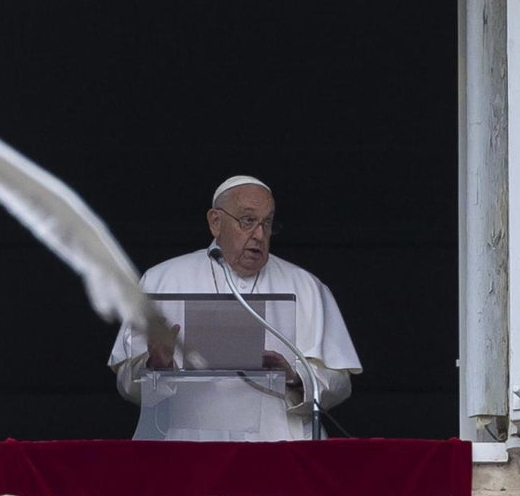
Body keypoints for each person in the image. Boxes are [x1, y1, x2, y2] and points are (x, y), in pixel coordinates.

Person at [108, 175, 361, 440]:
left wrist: (296, 376)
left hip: (278, 450)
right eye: (248, 221)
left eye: (267, 222)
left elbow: (340, 383)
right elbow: (126, 383)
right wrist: (157, 365)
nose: (260, 234)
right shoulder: (160, 281)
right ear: (215, 222)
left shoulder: (306, 286)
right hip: (188, 450)